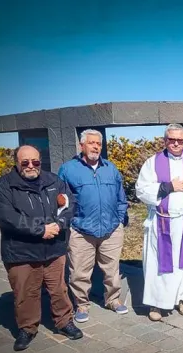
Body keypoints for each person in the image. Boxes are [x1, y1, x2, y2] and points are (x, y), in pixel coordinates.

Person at [0, 145, 83, 350]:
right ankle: (27, 328)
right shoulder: (3, 186)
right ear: (16, 163)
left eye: (35, 162)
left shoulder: (54, 181)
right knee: (25, 293)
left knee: (59, 289)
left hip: (53, 249)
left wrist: (58, 225)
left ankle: (64, 321)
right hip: (21, 252)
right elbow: (6, 218)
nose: (31, 166)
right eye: (25, 162)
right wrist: (40, 230)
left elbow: (70, 205)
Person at [135, 123, 183, 321]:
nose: (176, 143)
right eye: (172, 140)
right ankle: (156, 305)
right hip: (162, 222)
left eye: (180, 140)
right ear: (165, 140)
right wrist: (168, 187)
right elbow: (141, 190)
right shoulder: (153, 163)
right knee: (158, 264)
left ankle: (181, 299)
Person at [58, 129, 129, 323]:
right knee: (79, 271)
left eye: (98, 143)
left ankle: (113, 300)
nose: (96, 147)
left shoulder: (110, 168)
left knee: (112, 269)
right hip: (81, 230)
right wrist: (70, 223)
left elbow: (121, 198)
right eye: (91, 143)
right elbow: (61, 202)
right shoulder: (68, 169)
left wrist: (120, 219)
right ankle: (81, 304)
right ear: (82, 145)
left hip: (111, 229)